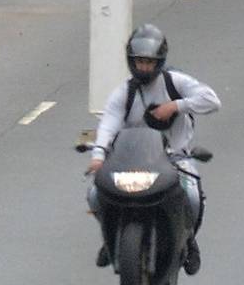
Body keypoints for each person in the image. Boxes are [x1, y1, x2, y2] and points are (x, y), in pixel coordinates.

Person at [86, 24, 220, 271]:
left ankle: (190, 241)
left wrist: (176, 106)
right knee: (95, 193)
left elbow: (212, 100)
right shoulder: (124, 93)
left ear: (159, 61)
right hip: (131, 160)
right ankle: (110, 237)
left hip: (174, 159)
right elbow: (107, 125)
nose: (143, 67)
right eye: (139, 62)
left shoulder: (175, 83)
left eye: (149, 62)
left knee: (192, 197)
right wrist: (98, 156)